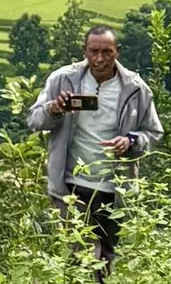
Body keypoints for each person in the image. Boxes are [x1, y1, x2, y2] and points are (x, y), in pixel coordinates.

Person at [29, 25, 162, 271]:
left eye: (106, 52)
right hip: (70, 184)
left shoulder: (135, 88)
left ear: (117, 52)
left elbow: (153, 132)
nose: (100, 59)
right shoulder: (63, 79)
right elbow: (34, 120)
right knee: (81, 254)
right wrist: (54, 109)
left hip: (114, 187)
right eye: (94, 51)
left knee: (105, 257)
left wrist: (131, 141)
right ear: (85, 51)